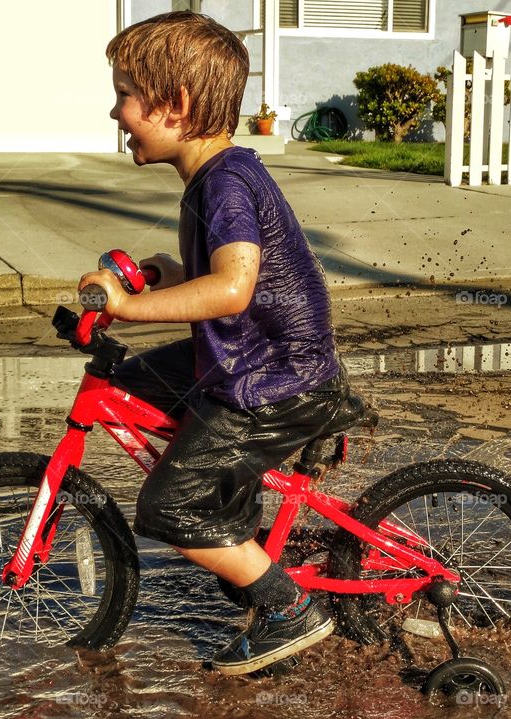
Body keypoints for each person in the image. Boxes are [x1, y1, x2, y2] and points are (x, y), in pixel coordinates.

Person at [78, 10, 363, 676]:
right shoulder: (217, 177)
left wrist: (129, 304)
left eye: (125, 94)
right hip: (253, 362)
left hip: (272, 380)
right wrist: (162, 280)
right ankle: (237, 517)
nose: (116, 111)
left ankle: (288, 605)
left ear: (174, 107)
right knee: (133, 380)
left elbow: (234, 288)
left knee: (167, 504)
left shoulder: (226, 184)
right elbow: (226, 284)